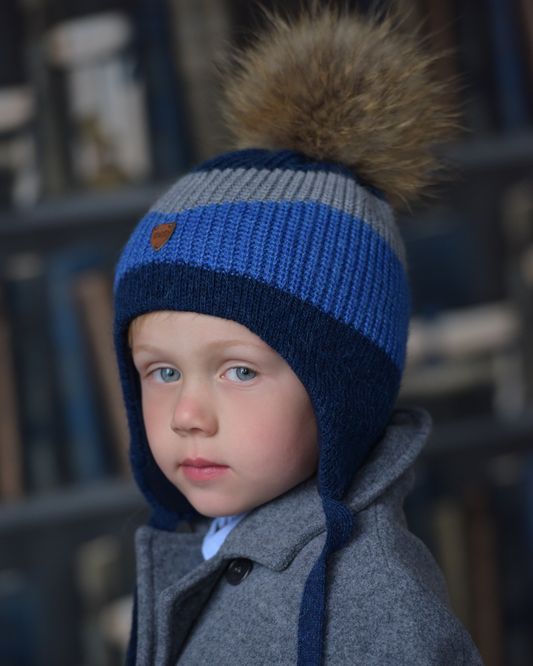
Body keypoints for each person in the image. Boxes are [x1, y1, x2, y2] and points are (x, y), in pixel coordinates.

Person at [113, 4, 484, 665]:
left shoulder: (376, 604)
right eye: (162, 372)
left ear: (340, 395)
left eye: (239, 370)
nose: (187, 415)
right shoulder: (211, 539)